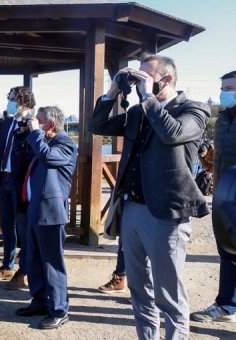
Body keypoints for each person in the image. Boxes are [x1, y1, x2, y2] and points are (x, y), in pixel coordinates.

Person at [89, 54, 211, 339]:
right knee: (139, 288)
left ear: (166, 79)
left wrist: (147, 98)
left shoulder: (193, 110)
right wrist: (113, 91)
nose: (139, 81)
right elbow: (98, 127)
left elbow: (172, 133)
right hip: (132, 210)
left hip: (166, 215)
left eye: (145, 77)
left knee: (168, 292)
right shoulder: (138, 112)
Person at [15, 106, 77, 330]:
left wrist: (34, 133)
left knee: (52, 264)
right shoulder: (43, 140)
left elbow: (48, 157)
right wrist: (24, 127)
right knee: (33, 260)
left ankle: (60, 309)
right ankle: (39, 300)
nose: (35, 124)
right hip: (34, 210)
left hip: (51, 214)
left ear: (50, 125)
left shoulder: (65, 144)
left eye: (39, 121)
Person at [190, 70, 236, 323]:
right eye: (223, 88)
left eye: (230, 88)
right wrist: (206, 159)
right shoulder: (222, 120)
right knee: (228, 253)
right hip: (223, 197)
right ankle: (227, 306)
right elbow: (216, 161)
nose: (224, 93)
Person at [0, 86, 36, 290]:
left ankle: (24, 270)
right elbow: (0, 155)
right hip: (4, 179)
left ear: (24, 101)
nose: (9, 102)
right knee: (6, 226)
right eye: (9, 98)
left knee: (23, 228)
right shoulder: (7, 122)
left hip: (21, 182)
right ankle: (7, 265)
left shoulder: (33, 124)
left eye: (13, 99)